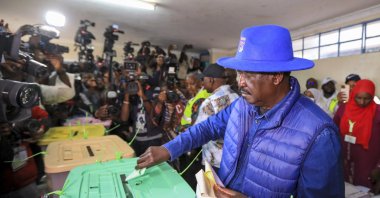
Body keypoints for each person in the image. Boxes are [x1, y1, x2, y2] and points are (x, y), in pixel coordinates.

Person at [136, 24, 344, 197]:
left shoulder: (318, 134)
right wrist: (169, 149)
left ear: (276, 76)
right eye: (238, 73)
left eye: (248, 75)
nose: (239, 82)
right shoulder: (243, 105)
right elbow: (206, 128)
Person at [333, 79, 380, 194]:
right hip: (344, 160)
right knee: (346, 190)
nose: (362, 102)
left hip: (369, 162)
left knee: (367, 191)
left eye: (367, 98)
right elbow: (333, 130)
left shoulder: (378, 112)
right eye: (359, 98)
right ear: (353, 95)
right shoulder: (343, 109)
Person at [195, 63, 239, 170]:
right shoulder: (237, 97)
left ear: (211, 80)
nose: (202, 83)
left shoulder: (209, 102)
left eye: (203, 80)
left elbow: (199, 132)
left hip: (214, 162)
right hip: (234, 159)